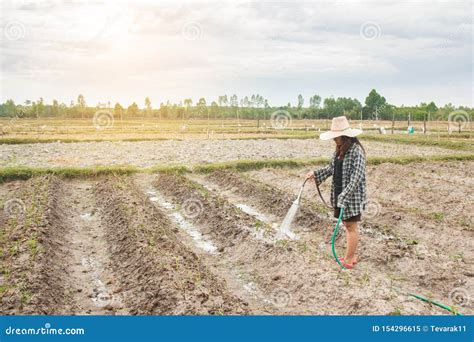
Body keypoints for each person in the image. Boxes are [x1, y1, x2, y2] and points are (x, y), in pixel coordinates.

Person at [306, 116, 367, 269]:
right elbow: (330, 169)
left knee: (351, 226)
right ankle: (350, 256)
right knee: (347, 225)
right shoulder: (339, 152)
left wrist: (344, 196)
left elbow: (357, 177)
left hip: (351, 197)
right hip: (340, 194)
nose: (334, 140)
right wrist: (316, 173)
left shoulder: (356, 151)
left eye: (336, 137)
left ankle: (349, 258)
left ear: (345, 135)